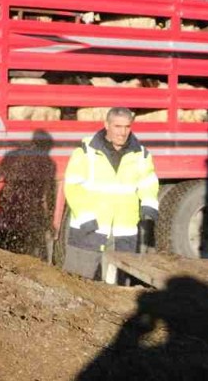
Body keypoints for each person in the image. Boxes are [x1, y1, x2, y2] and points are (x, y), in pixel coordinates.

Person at [61, 107, 159, 279]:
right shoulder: (86, 151)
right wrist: (86, 219)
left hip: (124, 236)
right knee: (75, 284)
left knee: (115, 293)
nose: (122, 132)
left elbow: (148, 183)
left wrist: (149, 206)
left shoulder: (141, 155)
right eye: (117, 126)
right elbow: (73, 186)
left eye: (127, 127)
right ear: (106, 125)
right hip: (88, 231)